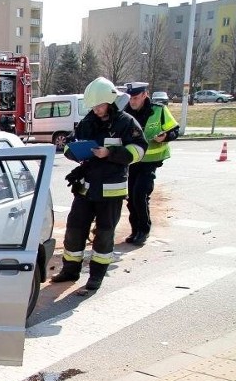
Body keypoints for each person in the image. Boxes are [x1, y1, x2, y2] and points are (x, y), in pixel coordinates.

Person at [51, 77, 148, 291]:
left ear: (111, 102)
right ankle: (70, 270)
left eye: (100, 105)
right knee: (74, 229)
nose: (96, 110)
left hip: (111, 190)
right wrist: (72, 151)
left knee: (104, 234)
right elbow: (72, 144)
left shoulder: (126, 123)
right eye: (93, 106)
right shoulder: (88, 121)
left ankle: (96, 276)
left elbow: (139, 150)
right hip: (85, 187)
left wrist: (110, 153)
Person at [122, 82, 180, 245]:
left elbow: (174, 130)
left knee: (140, 194)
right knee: (132, 198)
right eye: (130, 98)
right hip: (132, 161)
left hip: (151, 161)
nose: (132, 101)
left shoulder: (159, 110)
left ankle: (144, 230)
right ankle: (135, 230)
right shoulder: (125, 112)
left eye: (135, 98)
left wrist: (166, 136)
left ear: (144, 95)